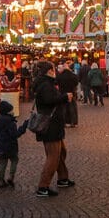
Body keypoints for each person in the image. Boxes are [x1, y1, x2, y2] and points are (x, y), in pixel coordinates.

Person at [30, 60, 74, 197]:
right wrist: (65, 97)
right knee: (53, 156)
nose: (54, 71)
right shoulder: (45, 85)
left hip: (53, 124)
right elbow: (49, 100)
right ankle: (43, 187)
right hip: (50, 125)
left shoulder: (45, 83)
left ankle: (63, 178)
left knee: (61, 152)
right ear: (49, 71)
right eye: (53, 69)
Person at [0, 100, 28, 188]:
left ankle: (1, 180)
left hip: (0, 147)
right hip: (11, 147)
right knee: (14, 160)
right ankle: (11, 177)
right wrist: (23, 127)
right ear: (8, 112)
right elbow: (15, 135)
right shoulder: (11, 123)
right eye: (11, 110)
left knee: (2, 163)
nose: (13, 111)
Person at [56, 62, 79, 127]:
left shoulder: (60, 76)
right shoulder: (73, 75)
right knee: (72, 108)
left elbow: (56, 82)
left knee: (64, 108)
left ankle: (65, 122)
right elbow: (76, 83)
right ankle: (74, 122)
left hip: (63, 93)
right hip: (71, 93)